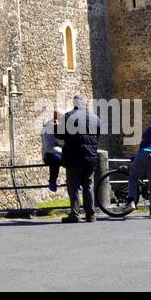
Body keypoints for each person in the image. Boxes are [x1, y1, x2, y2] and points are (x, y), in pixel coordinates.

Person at [59, 95, 102, 223]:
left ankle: (75, 214)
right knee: (88, 185)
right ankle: (91, 214)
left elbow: (60, 135)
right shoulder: (95, 118)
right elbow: (98, 136)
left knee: (74, 187)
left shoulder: (69, 116)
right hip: (91, 157)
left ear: (74, 104)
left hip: (74, 156)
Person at [41, 111, 63, 192]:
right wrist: (65, 151)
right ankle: (52, 181)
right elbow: (49, 148)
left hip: (61, 153)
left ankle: (76, 180)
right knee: (55, 158)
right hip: (48, 154)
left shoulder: (64, 128)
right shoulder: (47, 129)